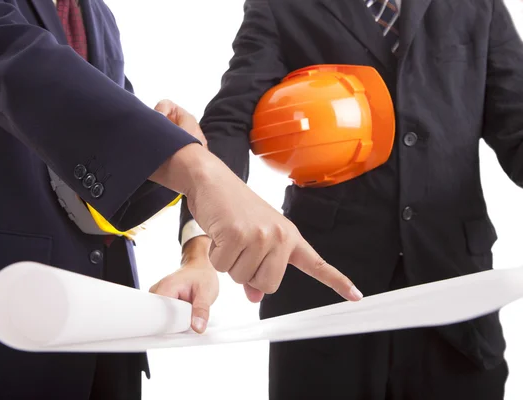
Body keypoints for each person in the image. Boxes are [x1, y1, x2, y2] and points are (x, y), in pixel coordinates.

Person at [0, 0, 364, 399]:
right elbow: (3, 52)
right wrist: (192, 165)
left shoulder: (97, 14)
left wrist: (174, 157)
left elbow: (96, 163)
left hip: (108, 323)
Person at [174, 0, 523, 398]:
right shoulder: (280, 6)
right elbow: (229, 123)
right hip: (324, 308)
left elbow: (518, 126)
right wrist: (198, 249)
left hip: (457, 303)